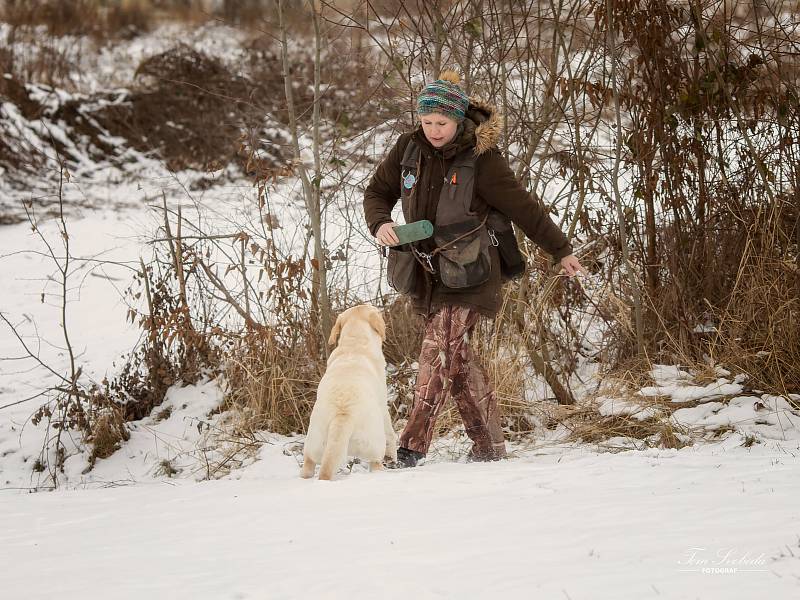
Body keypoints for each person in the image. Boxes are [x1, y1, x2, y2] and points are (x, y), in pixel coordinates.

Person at [363, 71, 585, 468]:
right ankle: (489, 446)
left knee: (437, 352)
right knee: (456, 360)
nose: (433, 130)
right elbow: (377, 191)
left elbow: (524, 207)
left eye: (441, 123)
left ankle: (410, 448)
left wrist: (560, 249)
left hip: (471, 272)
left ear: (458, 120)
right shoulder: (407, 148)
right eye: (427, 122)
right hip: (424, 272)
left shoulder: (481, 161)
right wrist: (381, 222)